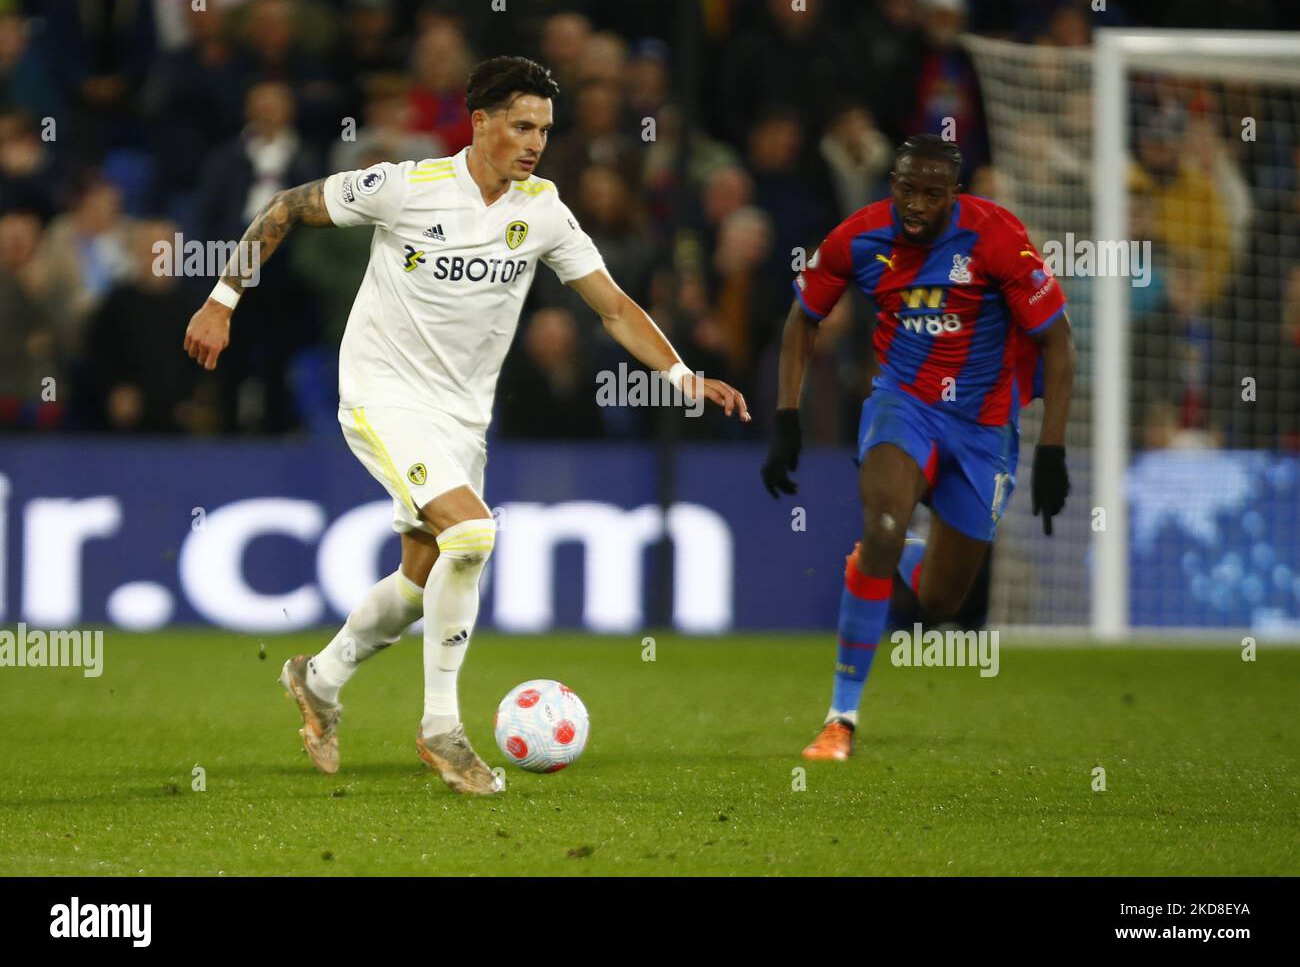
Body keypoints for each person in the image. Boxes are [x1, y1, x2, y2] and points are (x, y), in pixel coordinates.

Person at [183, 56, 749, 793]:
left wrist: (682, 376)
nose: (535, 142)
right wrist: (222, 299)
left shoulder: (542, 209)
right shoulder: (406, 186)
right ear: (479, 123)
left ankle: (318, 677)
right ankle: (442, 729)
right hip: (382, 393)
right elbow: (288, 205)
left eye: (544, 128)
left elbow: (611, 305)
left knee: (420, 582)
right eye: (521, 125)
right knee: (474, 533)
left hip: (460, 416)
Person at [761, 134, 1073, 761]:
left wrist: (1052, 451)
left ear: (955, 194)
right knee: (880, 521)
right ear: (893, 183)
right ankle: (839, 720)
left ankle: (897, 554)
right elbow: (802, 320)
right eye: (906, 189)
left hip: (984, 427)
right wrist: (786, 419)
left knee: (940, 602)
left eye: (933, 194)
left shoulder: (997, 237)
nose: (917, 204)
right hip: (903, 406)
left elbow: (1058, 343)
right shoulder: (858, 237)